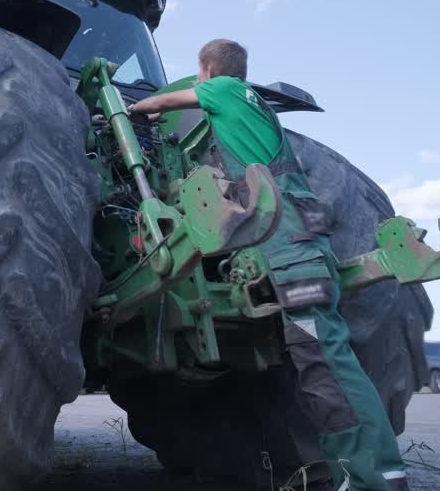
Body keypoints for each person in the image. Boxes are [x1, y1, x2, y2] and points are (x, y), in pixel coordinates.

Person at [127, 39, 408, 491]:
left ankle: (369, 478)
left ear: (206, 69)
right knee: (330, 356)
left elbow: (161, 101)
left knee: (324, 360)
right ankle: (378, 471)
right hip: (309, 247)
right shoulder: (259, 108)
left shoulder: (219, 90)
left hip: (289, 257)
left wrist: (135, 111)